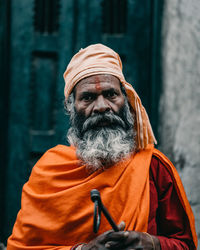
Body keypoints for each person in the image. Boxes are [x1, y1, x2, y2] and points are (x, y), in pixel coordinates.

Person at [7, 44, 197, 250]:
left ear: (126, 101)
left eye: (111, 94)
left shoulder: (153, 167)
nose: (101, 107)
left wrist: (149, 243)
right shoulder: (48, 172)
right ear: (71, 108)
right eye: (87, 97)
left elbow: (185, 244)